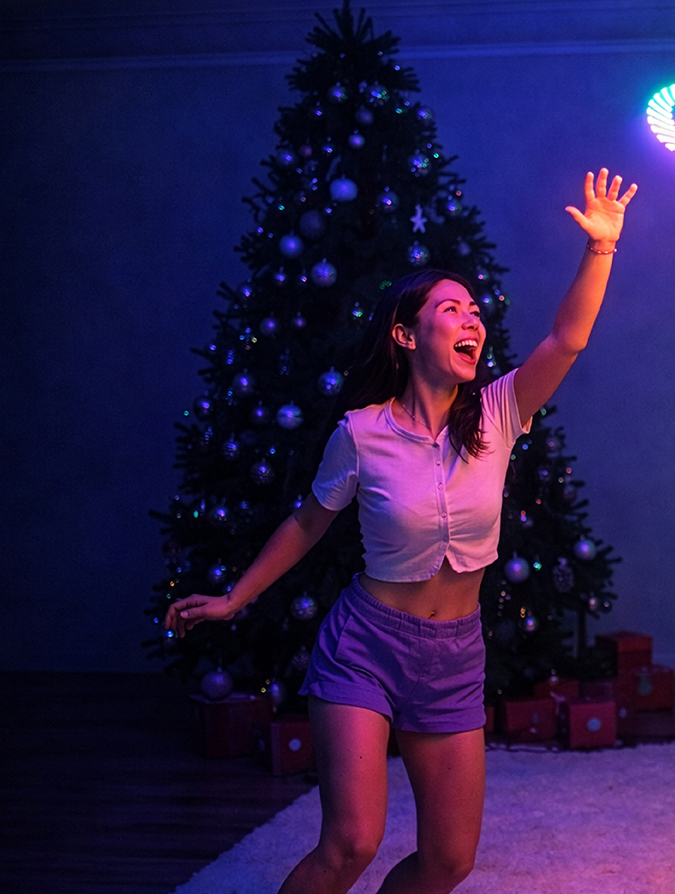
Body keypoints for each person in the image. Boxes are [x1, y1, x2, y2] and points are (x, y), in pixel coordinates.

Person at [164, 168, 638, 894]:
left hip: (454, 656)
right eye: (452, 309)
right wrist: (235, 598)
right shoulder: (361, 433)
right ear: (406, 333)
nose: (473, 320)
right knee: (349, 843)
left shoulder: (502, 411)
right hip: (367, 645)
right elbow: (308, 521)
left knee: (450, 861)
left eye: (476, 311)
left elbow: (567, 340)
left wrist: (600, 249)